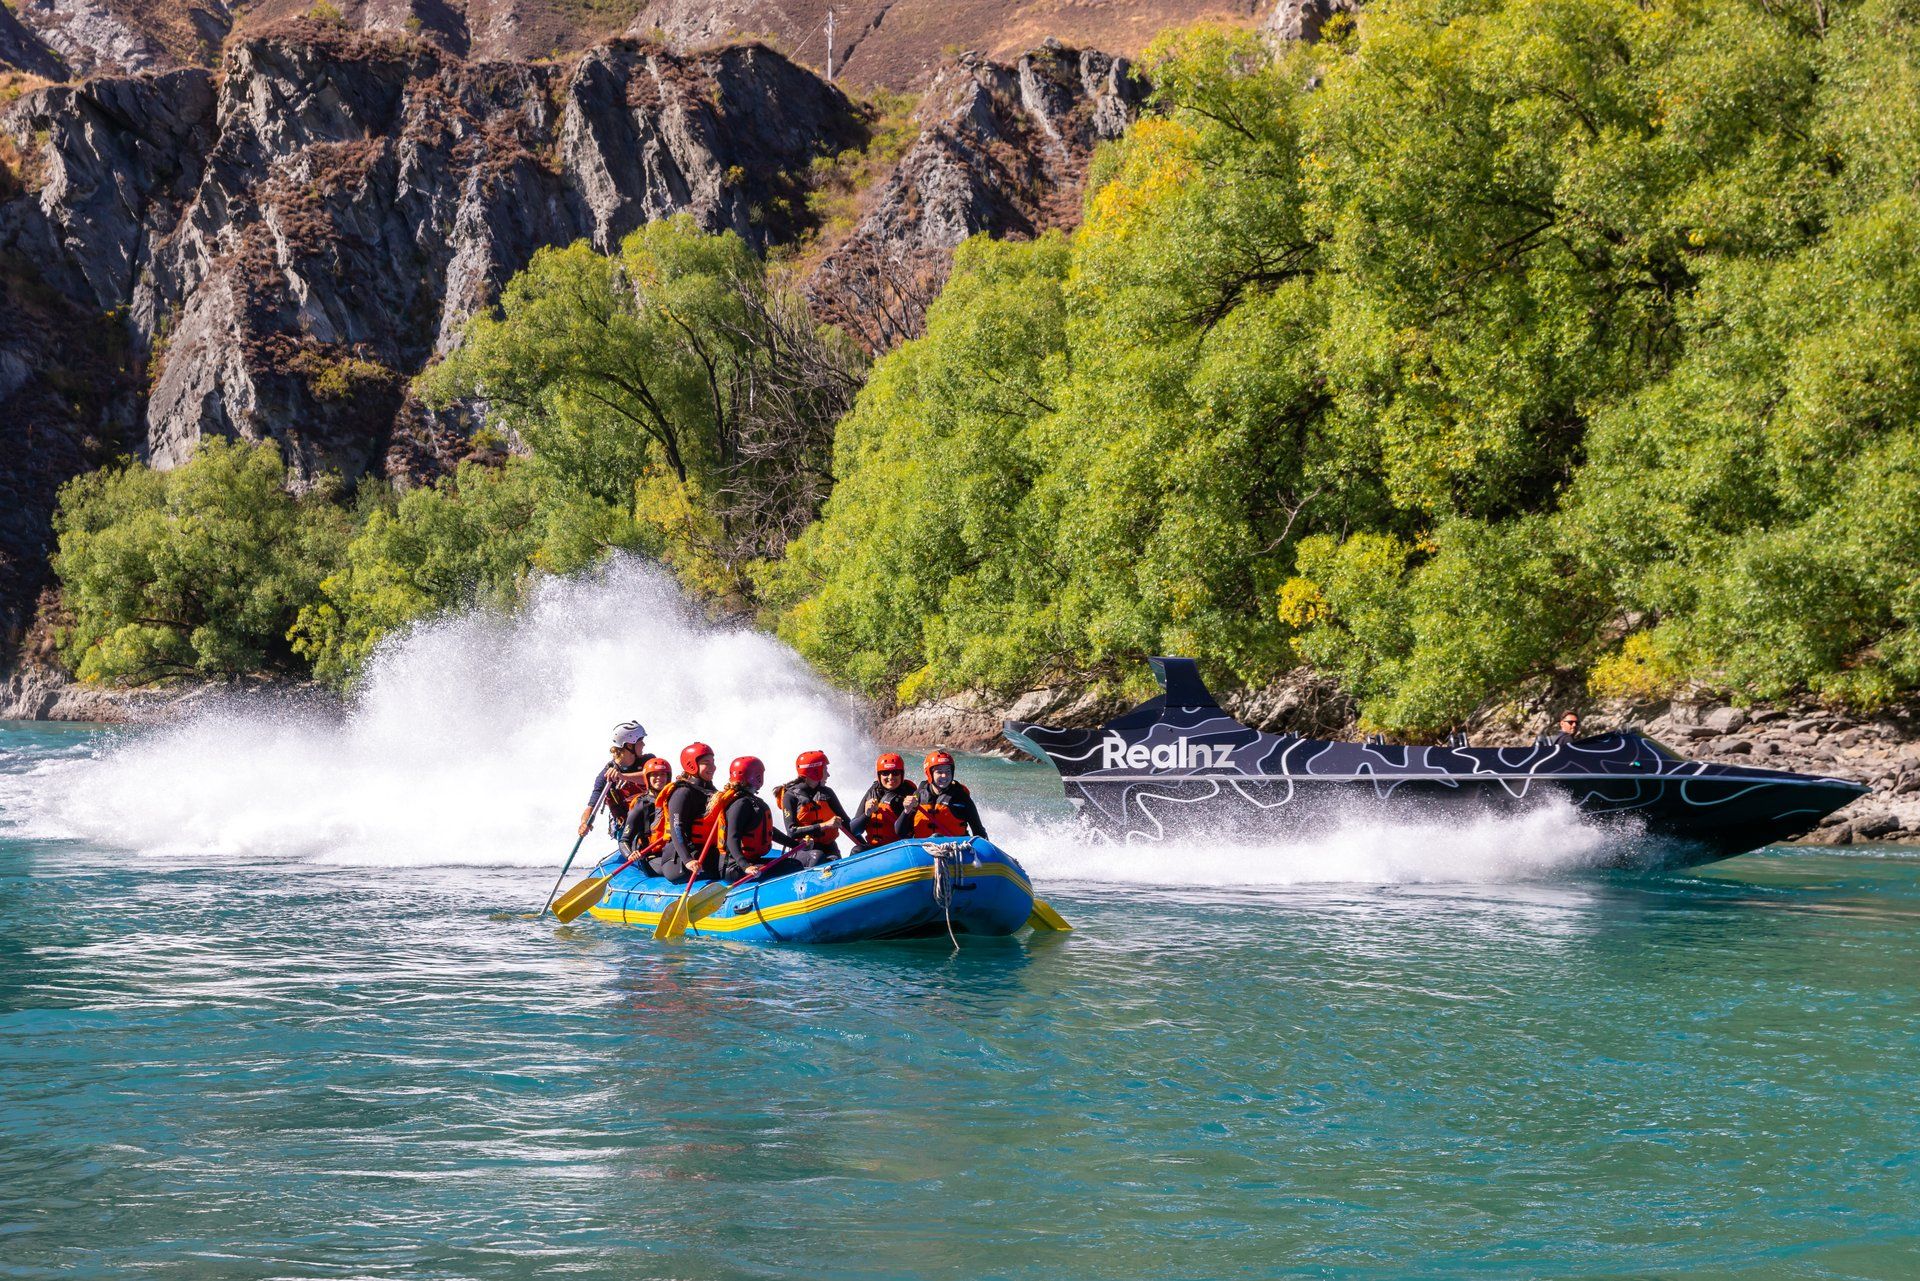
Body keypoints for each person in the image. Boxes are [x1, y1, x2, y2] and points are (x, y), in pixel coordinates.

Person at [711, 756, 797, 881]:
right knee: (792, 866)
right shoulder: (740, 804)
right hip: (733, 867)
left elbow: (769, 831)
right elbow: (732, 838)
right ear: (757, 776)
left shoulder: (751, 801)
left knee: (792, 864)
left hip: (750, 862)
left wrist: (795, 844)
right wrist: (746, 866)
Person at [648, 742, 719, 882]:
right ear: (692, 765)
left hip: (704, 851)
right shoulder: (682, 792)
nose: (713, 767)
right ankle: (648, 863)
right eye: (707, 763)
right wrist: (688, 860)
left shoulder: (712, 792)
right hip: (679, 857)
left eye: (713, 762)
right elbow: (676, 828)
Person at [776, 750, 855, 867]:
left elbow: (846, 823)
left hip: (829, 847)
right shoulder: (790, 796)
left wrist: (865, 846)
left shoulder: (827, 793)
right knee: (817, 857)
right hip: (802, 850)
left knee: (833, 860)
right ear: (815, 772)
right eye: (825, 770)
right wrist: (825, 825)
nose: (828, 775)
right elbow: (792, 832)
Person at [579, 721, 656, 837]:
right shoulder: (606, 775)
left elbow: (651, 777)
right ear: (629, 745)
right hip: (627, 826)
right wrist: (584, 823)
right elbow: (591, 806)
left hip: (653, 817)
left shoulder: (649, 761)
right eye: (640, 741)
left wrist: (622, 776)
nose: (644, 744)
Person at [906, 749, 988, 839]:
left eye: (948, 771)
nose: (944, 776)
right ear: (929, 773)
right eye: (939, 772)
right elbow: (900, 831)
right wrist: (906, 811)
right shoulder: (919, 795)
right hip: (922, 847)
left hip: (954, 849)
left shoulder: (961, 797)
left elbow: (979, 831)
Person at [848, 752, 917, 848]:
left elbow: (905, 833)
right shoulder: (873, 791)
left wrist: (906, 811)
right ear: (879, 776)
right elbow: (854, 830)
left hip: (900, 848)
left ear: (902, 774)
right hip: (874, 848)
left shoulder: (910, 794)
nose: (890, 777)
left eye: (895, 773)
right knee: (856, 850)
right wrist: (867, 814)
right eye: (885, 773)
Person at [617, 755, 674, 867]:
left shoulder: (675, 799)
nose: (659, 778)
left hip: (673, 851)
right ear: (647, 778)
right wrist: (630, 855)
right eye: (655, 775)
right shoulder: (641, 804)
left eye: (663, 774)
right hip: (651, 856)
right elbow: (624, 840)